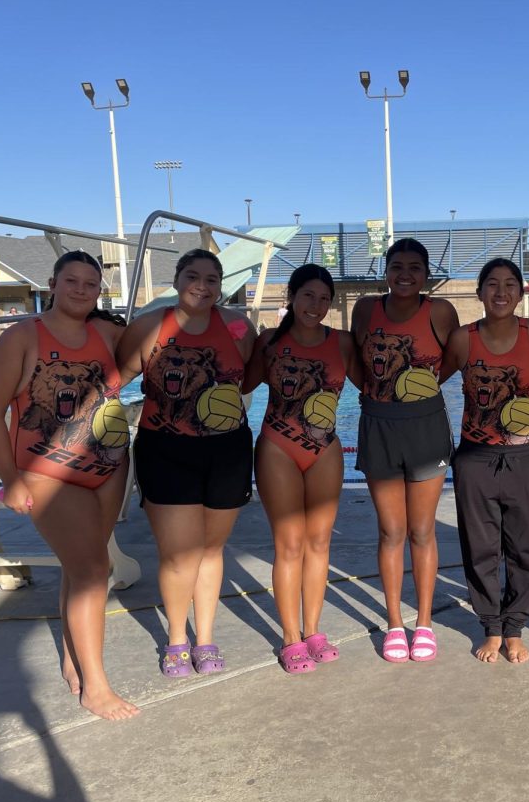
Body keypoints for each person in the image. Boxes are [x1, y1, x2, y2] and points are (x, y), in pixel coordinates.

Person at [0, 250, 137, 720]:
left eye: (91, 284)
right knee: (93, 570)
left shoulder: (107, 333)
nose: (82, 290)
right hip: (46, 472)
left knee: (79, 564)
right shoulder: (22, 337)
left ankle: (73, 656)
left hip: (108, 467)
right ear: (52, 283)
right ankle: (97, 687)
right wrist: (11, 480)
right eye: (73, 281)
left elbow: (158, 346)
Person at [117, 249, 257, 679]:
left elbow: (248, 377)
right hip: (166, 449)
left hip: (227, 449)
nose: (203, 284)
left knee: (212, 550)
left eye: (212, 278)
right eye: (193, 275)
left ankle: (206, 638)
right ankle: (178, 638)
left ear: (221, 284)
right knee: (179, 555)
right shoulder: (150, 325)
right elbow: (115, 378)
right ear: (177, 280)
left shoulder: (237, 326)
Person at [350, 237, 459, 662]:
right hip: (378, 425)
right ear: (386, 271)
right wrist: (374, 392)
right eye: (397, 266)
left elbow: (455, 356)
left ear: (427, 274)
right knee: (391, 531)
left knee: (422, 530)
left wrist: (423, 389)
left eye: (415, 267)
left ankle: (425, 622)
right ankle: (396, 622)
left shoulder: (440, 312)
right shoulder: (365, 309)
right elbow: (355, 359)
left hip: (426, 427)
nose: (405, 274)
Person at [244, 265, 355, 674]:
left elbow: (381, 379)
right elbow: (240, 385)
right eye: (308, 296)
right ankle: (290, 638)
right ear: (291, 296)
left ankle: (313, 630)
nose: (316, 305)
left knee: (320, 543)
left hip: (325, 449)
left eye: (324, 299)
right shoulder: (270, 341)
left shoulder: (342, 342)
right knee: (289, 544)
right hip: (278, 446)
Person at [439, 258, 529, 665]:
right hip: (476, 457)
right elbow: (429, 380)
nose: (501, 292)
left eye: (509, 284)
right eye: (492, 284)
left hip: (526, 455)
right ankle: (491, 626)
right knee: (481, 548)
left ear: (521, 293)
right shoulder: (463, 339)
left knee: (524, 547)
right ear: (479, 292)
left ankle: (516, 627)